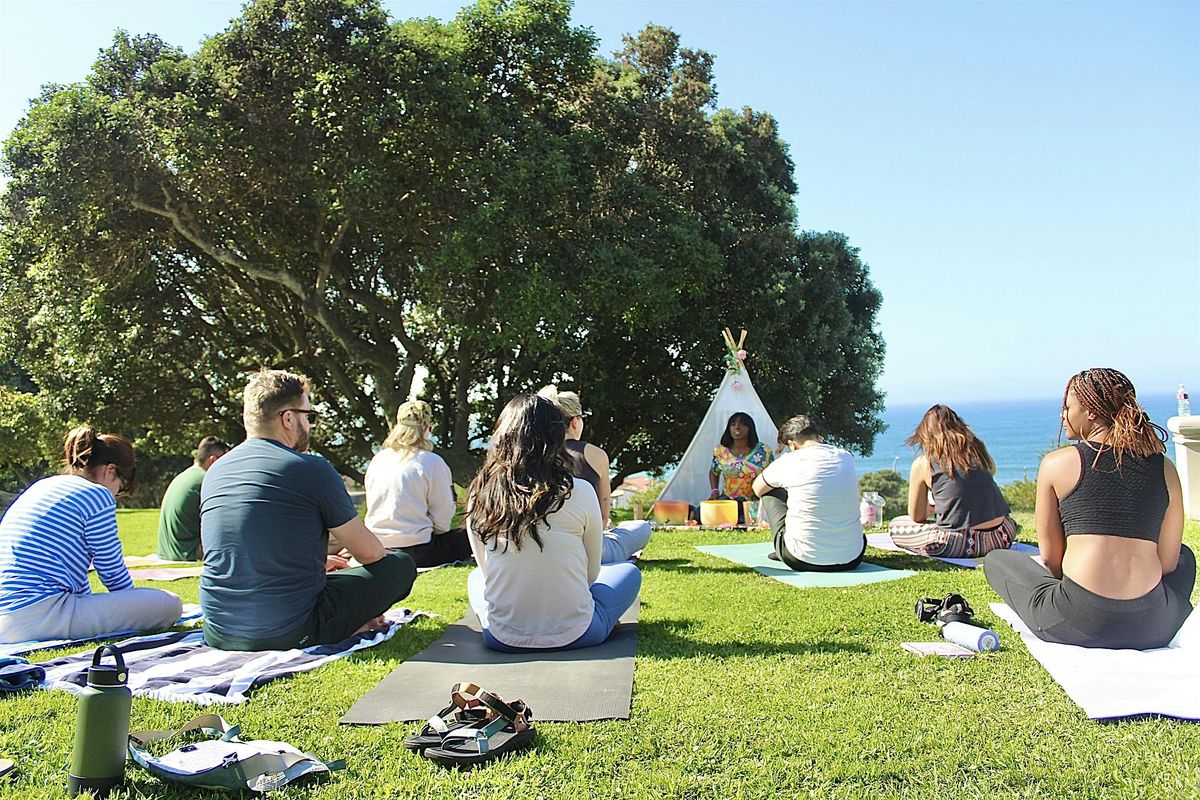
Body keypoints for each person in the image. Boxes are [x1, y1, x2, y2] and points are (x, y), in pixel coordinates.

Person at [199, 368, 417, 651]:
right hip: (287, 630)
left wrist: (315, 565)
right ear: (288, 419)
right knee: (399, 566)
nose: (310, 425)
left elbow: (242, 546)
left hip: (219, 630)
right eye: (309, 416)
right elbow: (371, 553)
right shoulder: (310, 468)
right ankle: (353, 624)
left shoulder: (216, 473)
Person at [984, 368, 1194, 649]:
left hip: (1078, 622)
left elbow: (1052, 559)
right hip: (1154, 625)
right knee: (1184, 556)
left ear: (1091, 412)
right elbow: (1167, 564)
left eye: (1067, 407)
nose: (1063, 416)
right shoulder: (1165, 468)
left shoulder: (1056, 463)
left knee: (998, 560)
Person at [466, 394, 641, 652]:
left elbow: (486, 572)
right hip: (578, 633)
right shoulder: (580, 491)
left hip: (501, 638)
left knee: (475, 579)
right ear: (556, 438)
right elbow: (591, 574)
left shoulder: (480, 494)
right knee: (629, 573)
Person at [0, 427, 182, 644]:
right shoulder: (96, 495)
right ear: (110, 471)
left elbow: (75, 578)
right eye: (120, 487)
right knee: (170, 603)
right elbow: (112, 572)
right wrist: (134, 602)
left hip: (8, 615)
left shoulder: (43, 486)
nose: (115, 494)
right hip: (37, 616)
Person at [537, 385, 651, 562]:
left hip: (543, 546)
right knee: (642, 527)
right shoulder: (595, 455)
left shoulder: (534, 455)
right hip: (591, 551)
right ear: (575, 422)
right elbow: (603, 517)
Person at [887, 405, 1017, 558]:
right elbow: (991, 472)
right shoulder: (978, 450)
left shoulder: (923, 463)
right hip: (1003, 535)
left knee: (896, 525)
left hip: (962, 543)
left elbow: (917, 517)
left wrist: (932, 508)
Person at [364, 400, 471, 568]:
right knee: (470, 534)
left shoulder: (378, 459)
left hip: (376, 548)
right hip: (418, 550)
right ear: (427, 428)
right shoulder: (432, 462)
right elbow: (442, 520)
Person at [752, 415, 865, 571]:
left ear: (792, 444)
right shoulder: (845, 456)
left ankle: (784, 546)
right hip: (853, 557)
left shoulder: (788, 461)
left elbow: (757, 489)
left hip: (801, 558)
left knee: (770, 490)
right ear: (818, 437)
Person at [156, 435, 231, 562]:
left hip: (168, 553)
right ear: (213, 460)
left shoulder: (184, 476)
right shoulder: (205, 481)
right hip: (189, 553)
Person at [709, 412, 773, 523]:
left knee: (747, 521)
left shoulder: (763, 450)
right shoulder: (720, 451)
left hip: (754, 504)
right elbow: (714, 472)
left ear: (750, 428)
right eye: (733, 424)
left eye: (742, 424)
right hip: (728, 503)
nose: (737, 427)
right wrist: (715, 491)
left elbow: (772, 474)